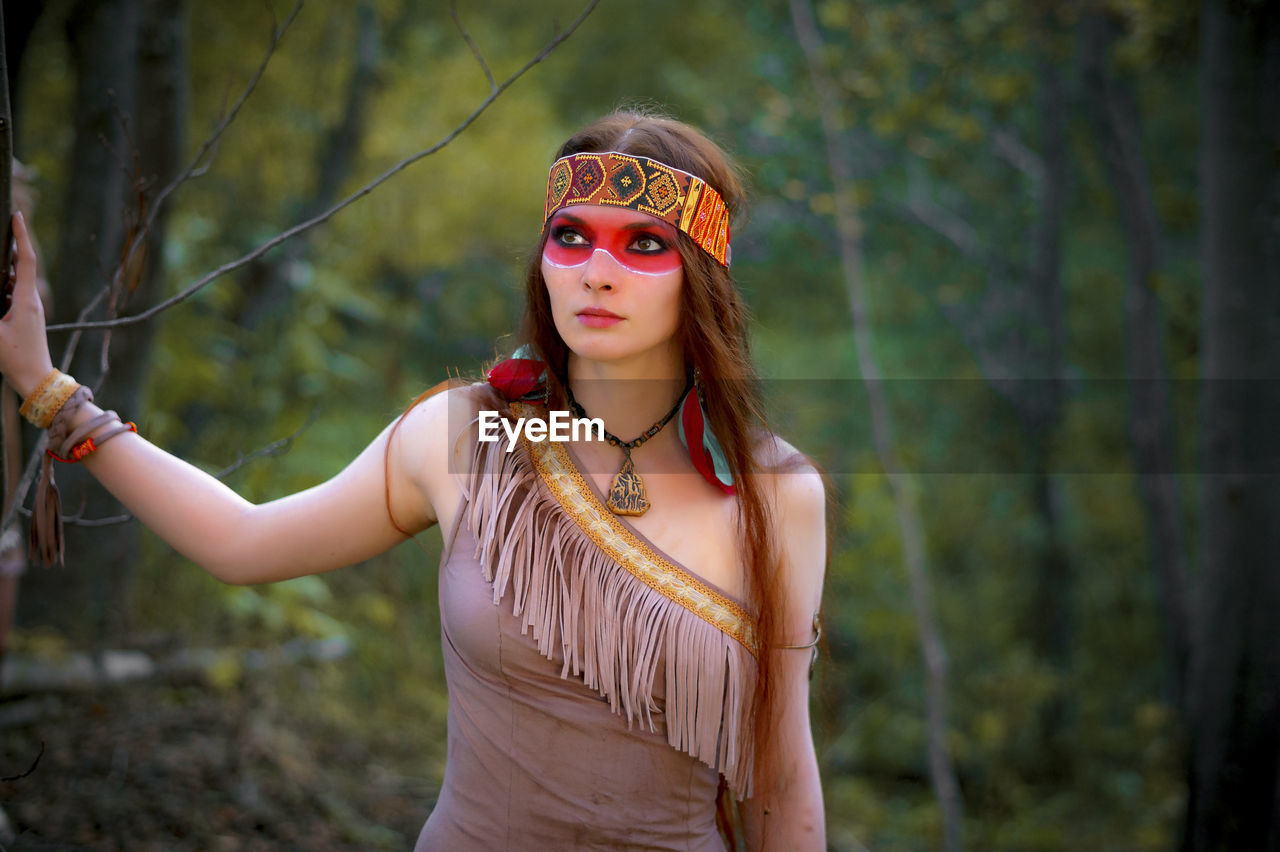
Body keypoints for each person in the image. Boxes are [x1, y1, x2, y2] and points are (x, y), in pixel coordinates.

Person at [0, 111, 826, 850]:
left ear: (702, 274)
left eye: (643, 244)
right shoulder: (466, 434)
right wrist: (49, 391)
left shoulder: (775, 492)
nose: (595, 272)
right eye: (571, 236)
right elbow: (242, 541)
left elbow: (780, 780)